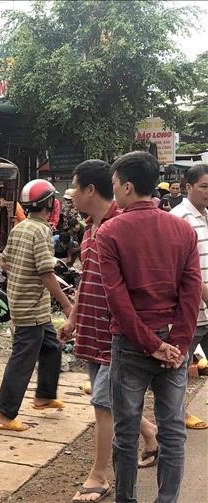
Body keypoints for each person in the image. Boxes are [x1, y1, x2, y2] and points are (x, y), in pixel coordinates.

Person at [96, 151, 201, 503]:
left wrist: (147, 342)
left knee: (126, 433)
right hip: (173, 342)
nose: (114, 193)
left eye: (114, 186)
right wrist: (180, 343)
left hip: (131, 344)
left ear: (127, 186)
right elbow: (191, 292)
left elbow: (116, 297)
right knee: (173, 432)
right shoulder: (182, 229)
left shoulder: (110, 232)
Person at [58, 160, 158, 503]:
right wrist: (73, 317)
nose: (69, 196)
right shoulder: (89, 229)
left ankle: (98, 476)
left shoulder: (121, 225)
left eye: (74, 189)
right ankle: (152, 436)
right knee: (111, 400)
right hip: (91, 329)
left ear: (90, 190)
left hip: (116, 333)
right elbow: (88, 277)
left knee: (103, 403)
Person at [0, 179, 73, 432]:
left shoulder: (21, 227)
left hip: (25, 303)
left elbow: (4, 262)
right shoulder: (42, 231)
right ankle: (3, 412)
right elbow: (46, 273)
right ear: (49, 203)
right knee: (23, 359)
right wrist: (68, 306)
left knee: (52, 346)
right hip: (30, 307)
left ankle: (44, 396)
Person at [170, 163, 208, 430]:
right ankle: (178, 414)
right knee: (180, 365)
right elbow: (178, 268)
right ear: (189, 187)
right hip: (192, 309)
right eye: (204, 186)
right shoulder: (179, 218)